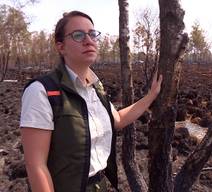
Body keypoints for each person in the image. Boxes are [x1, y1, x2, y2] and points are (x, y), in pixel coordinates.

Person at [20, 10, 162, 192]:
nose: (89, 40)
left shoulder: (96, 88)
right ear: (61, 46)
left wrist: (150, 96)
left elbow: (117, 120)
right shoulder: (41, 91)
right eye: (78, 35)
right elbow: (36, 166)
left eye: (92, 34)